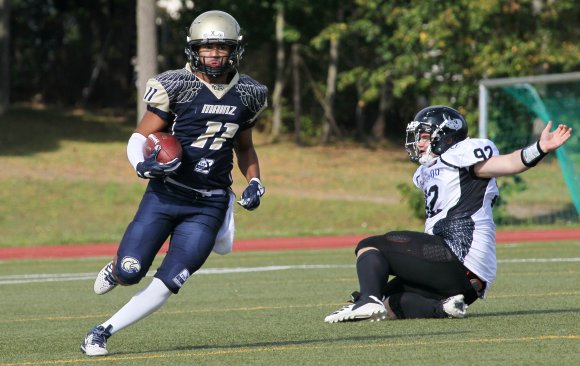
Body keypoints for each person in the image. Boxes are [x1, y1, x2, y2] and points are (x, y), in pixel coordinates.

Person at [81, 10, 268, 356]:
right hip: (166, 194)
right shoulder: (176, 85)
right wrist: (143, 165)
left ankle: (101, 332)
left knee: (168, 282)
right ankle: (117, 270)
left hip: (209, 203)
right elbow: (140, 136)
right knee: (130, 270)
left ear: (234, 50)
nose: (214, 54)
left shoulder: (249, 93)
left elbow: (245, 147)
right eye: (207, 47)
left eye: (221, 47)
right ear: (194, 49)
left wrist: (255, 181)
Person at [324, 105, 572, 323]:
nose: (418, 143)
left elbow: (508, 163)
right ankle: (444, 308)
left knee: (369, 246)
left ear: (444, 135)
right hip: (465, 283)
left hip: (458, 255)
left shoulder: (462, 155)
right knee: (390, 301)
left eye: (423, 136)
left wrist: (540, 148)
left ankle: (368, 299)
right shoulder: (427, 172)